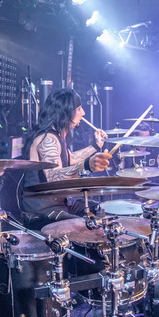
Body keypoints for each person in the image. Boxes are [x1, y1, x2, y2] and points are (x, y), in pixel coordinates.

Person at [18, 88, 112, 228]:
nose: (83, 113)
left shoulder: (57, 136)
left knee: (103, 209)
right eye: (79, 109)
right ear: (66, 112)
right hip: (42, 212)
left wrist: (96, 146)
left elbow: (70, 158)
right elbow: (54, 177)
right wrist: (87, 165)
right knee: (85, 227)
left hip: (61, 204)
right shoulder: (47, 139)